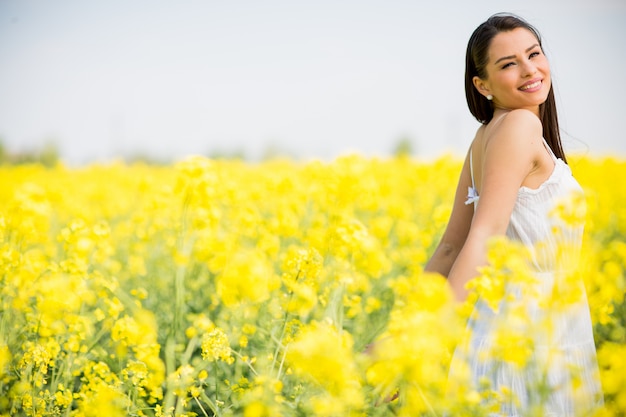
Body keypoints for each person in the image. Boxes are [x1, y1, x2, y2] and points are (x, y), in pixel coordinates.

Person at [425, 13, 603, 415]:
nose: (529, 70)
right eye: (508, 64)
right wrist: (426, 339)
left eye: (533, 54)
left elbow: (450, 247)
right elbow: (482, 237)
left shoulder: (485, 137)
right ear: (482, 85)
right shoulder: (520, 125)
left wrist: (408, 336)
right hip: (534, 335)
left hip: (511, 329)